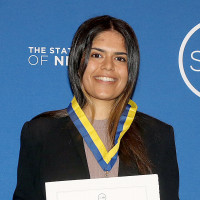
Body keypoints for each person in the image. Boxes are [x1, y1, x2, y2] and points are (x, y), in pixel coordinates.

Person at [13, 15, 179, 200]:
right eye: (97, 55)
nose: (108, 66)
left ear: (130, 69)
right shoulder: (40, 133)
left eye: (120, 58)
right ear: (78, 61)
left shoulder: (158, 135)